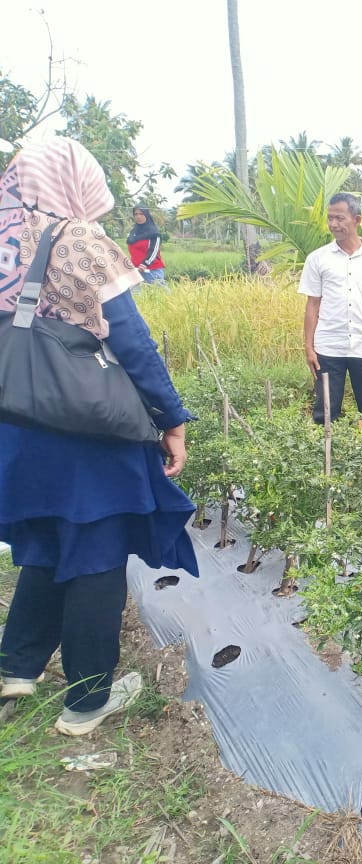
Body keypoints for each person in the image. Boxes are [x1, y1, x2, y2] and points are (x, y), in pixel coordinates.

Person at [0, 139, 198, 735]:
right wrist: (171, 418)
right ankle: (87, 701)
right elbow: (131, 339)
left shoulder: (5, 238)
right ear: (72, 182)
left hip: (17, 420)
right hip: (81, 425)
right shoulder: (77, 239)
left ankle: (17, 665)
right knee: (96, 552)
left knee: (47, 538)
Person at [299, 193, 362, 451]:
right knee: (325, 415)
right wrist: (309, 347)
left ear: (356, 220)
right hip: (328, 350)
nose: (334, 224)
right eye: (330, 218)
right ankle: (326, 472)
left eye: (339, 218)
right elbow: (312, 305)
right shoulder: (318, 258)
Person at [126, 205, 167, 286]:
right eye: (136, 214)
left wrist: (145, 263)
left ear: (146, 215)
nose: (138, 216)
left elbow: (154, 251)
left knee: (158, 296)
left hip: (152, 270)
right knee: (137, 297)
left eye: (141, 214)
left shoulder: (154, 233)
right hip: (136, 271)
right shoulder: (133, 233)